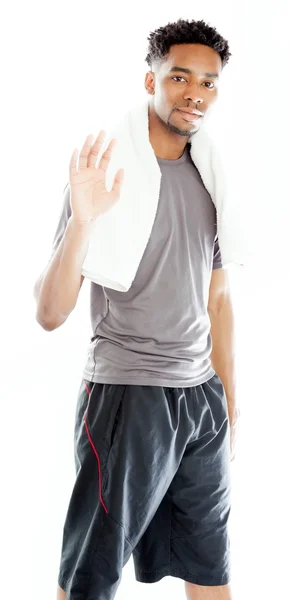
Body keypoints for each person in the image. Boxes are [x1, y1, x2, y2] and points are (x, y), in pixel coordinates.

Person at [34, 17, 240, 600]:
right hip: (128, 395)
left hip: (201, 400)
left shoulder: (211, 178)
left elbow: (218, 299)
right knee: (89, 581)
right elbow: (50, 314)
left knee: (211, 572)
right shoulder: (104, 178)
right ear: (149, 77)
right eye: (179, 76)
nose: (195, 92)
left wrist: (230, 403)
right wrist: (83, 218)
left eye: (208, 81)